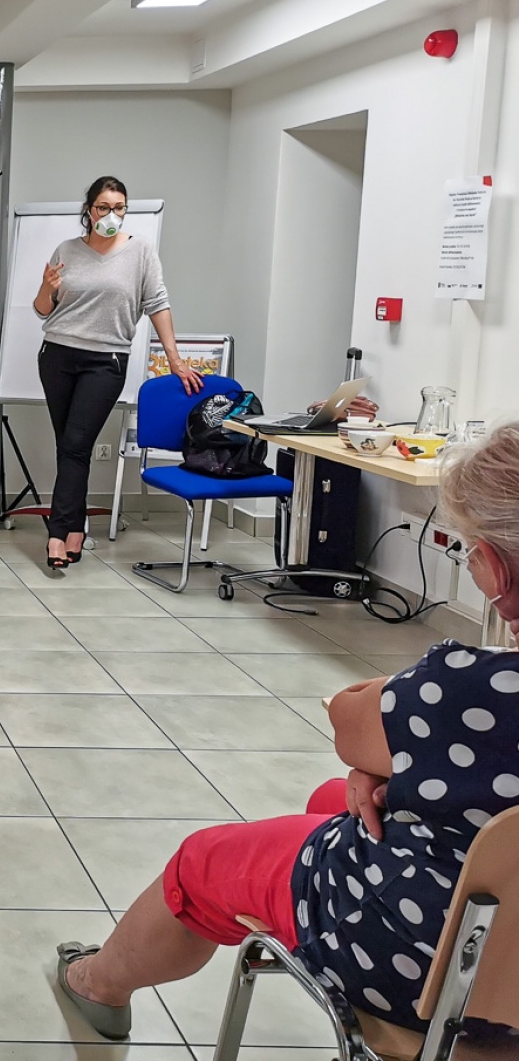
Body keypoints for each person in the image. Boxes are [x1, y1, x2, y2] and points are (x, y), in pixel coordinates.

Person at [54, 422, 519, 1042]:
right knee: (335, 799)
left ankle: (97, 983)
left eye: (467, 552)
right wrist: (385, 763)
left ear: (495, 571)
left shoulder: (467, 688)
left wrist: (396, 732)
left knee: (205, 860)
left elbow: (349, 719)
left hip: (429, 977)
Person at [34, 177, 202, 570]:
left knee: (75, 444)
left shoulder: (140, 251)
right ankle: (74, 529)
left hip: (105, 361)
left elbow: (157, 303)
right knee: (69, 447)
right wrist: (45, 287)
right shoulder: (67, 250)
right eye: (103, 207)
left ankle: (57, 534)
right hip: (57, 354)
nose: (111, 215)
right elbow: (44, 309)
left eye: (119, 207)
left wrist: (175, 359)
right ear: (89, 210)